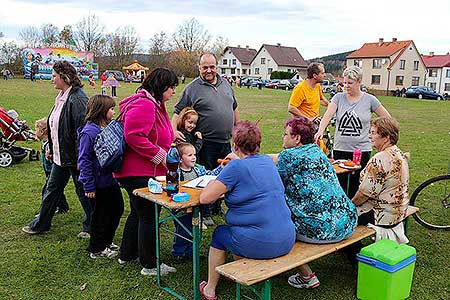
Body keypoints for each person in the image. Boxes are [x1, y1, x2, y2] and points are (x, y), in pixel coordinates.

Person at [199, 121, 295, 300]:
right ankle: (241, 269)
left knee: (219, 234)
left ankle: (210, 288)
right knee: (241, 231)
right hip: (287, 237)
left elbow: (205, 198)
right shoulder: (267, 161)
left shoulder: (235, 167)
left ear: (235, 145)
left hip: (262, 242)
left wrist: (218, 178)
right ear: (258, 144)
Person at [270, 116, 357, 289]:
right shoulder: (316, 150)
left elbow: (269, 165)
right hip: (347, 221)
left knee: (277, 224)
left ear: (297, 138)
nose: (283, 137)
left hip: (323, 229)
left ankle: (307, 276)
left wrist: (245, 157)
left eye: (285, 134)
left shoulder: (289, 156)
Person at [113, 68, 178, 277]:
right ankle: (150, 264)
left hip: (138, 170)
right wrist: (160, 154)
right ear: (161, 87)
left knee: (138, 213)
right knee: (149, 216)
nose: (174, 92)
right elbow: (134, 136)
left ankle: (127, 253)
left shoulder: (151, 103)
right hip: (139, 171)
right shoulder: (145, 104)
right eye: (171, 87)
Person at [22, 61, 92, 237]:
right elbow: (55, 127)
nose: (52, 79)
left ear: (65, 77)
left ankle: (93, 227)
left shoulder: (77, 99)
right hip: (61, 156)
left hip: (74, 158)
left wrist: (80, 159)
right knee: (52, 190)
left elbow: (81, 132)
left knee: (84, 192)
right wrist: (52, 149)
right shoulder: (62, 96)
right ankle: (42, 224)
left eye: (54, 76)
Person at [172, 52, 239, 224]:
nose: (209, 70)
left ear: (216, 67)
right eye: (205, 67)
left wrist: (237, 130)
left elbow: (234, 107)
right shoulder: (192, 88)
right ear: (199, 68)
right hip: (206, 143)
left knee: (225, 175)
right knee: (207, 178)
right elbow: (178, 110)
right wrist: (173, 130)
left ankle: (218, 206)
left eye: (212, 67)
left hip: (226, 141)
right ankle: (206, 211)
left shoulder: (226, 84)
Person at [315, 66, 391, 198]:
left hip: (361, 150)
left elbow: (387, 119)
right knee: (340, 185)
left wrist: (375, 130)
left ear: (359, 82)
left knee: (358, 186)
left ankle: (358, 214)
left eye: (350, 83)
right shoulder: (338, 98)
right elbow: (328, 115)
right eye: (344, 83)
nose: (346, 86)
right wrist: (320, 131)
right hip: (340, 149)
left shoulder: (370, 100)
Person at [78, 95, 124, 259]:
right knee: (100, 215)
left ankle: (106, 240)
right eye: (111, 109)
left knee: (117, 209)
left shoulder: (107, 128)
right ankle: (96, 248)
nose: (114, 111)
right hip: (98, 183)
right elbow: (84, 160)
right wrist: (89, 185)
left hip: (110, 180)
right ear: (102, 111)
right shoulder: (89, 133)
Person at [353, 117, 410, 243]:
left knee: (342, 215)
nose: (369, 136)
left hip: (383, 216)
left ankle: (354, 253)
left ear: (386, 137)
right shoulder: (399, 154)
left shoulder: (379, 159)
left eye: (373, 133)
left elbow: (364, 194)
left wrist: (349, 205)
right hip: (398, 212)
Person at [171, 143, 222, 263]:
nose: (194, 157)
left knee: (195, 229)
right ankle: (178, 252)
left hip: (195, 206)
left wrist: (222, 167)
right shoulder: (176, 172)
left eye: (194, 154)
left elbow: (211, 174)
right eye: (189, 155)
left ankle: (191, 252)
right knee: (183, 230)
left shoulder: (198, 169)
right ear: (180, 158)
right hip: (181, 207)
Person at [34, 118, 69, 214]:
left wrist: (50, 156)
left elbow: (54, 156)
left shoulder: (49, 145)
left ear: (43, 131)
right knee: (58, 190)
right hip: (48, 171)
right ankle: (63, 207)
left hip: (52, 171)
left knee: (47, 191)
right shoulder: (45, 141)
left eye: (36, 130)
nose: (35, 132)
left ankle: (44, 212)